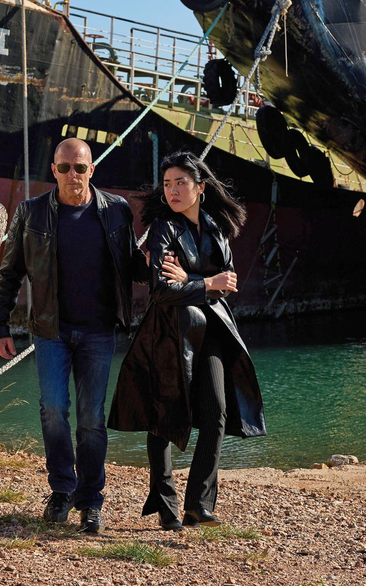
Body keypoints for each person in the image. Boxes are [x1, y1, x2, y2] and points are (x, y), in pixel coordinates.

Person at [0, 138, 147, 534]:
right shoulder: (31, 212)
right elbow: (9, 273)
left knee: (92, 420)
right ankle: (62, 489)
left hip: (98, 332)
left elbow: (131, 266)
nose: (72, 176)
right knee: (53, 409)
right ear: (54, 171)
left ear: (92, 169)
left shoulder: (116, 211)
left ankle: (90, 500)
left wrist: (166, 262)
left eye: (80, 168)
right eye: (64, 168)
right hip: (50, 331)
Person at [107, 151, 266, 532]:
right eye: (167, 184)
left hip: (210, 330)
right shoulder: (163, 228)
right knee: (163, 416)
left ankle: (199, 503)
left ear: (201, 188)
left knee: (217, 412)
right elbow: (163, 291)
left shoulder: (216, 226)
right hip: (167, 331)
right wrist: (205, 283)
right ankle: (166, 505)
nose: (173, 190)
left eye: (181, 182)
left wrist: (191, 279)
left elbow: (227, 283)